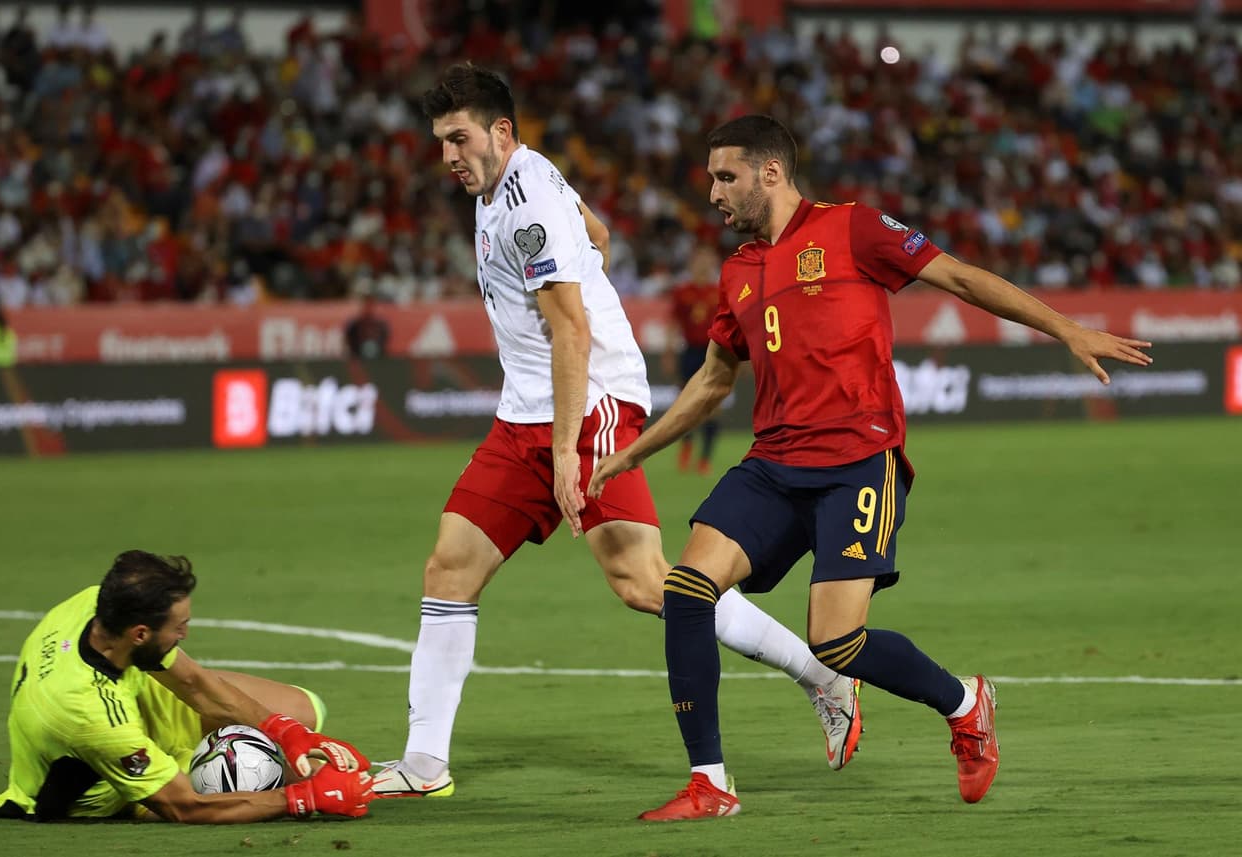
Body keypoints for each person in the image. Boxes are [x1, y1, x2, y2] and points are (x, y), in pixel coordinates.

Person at [589, 114, 1154, 820]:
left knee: (837, 640)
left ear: (771, 172)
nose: (712, 193)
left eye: (724, 176)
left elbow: (960, 278)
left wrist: (1066, 327)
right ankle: (711, 782)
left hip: (858, 462)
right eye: (710, 178)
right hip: (772, 463)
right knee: (686, 586)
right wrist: (634, 450)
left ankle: (966, 702)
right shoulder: (737, 271)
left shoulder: (853, 228)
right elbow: (710, 381)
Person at [372, 67, 863, 800]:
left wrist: (570, 447)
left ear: (501, 133)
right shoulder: (513, 182)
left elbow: (570, 329)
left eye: (459, 137)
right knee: (449, 568)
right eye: (441, 141)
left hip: (588, 404)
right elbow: (597, 235)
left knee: (643, 581)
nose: (447, 154)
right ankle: (424, 763)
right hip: (525, 413)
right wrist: (587, 281)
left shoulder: (528, 200)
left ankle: (822, 675)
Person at [0, 550, 374, 823]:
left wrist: (285, 730)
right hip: (101, 782)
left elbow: (193, 683)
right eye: (179, 627)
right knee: (301, 776)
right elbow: (185, 807)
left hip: (140, 707)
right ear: (140, 634)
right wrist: (302, 799)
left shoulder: (100, 605)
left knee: (302, 712)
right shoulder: (86, 713)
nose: (186, 633)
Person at [664, 246, 722, 475]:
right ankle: (686, 445)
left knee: (713, 406)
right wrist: (669, 352)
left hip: (713, 352)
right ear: (692, 263)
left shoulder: (719, 290)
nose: (703, 265)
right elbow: (673, 323)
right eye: (699, 260)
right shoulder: (683, 291)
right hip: (689, 352)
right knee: (686, 403)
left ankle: (705, 458)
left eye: (707, 261)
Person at [345, 295, 390, 359]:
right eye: (366, 305)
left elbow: (384, 341)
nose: (368, 308)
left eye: (371, 305)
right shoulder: (354, 325)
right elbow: (350, 341)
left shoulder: (381, 325)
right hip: (358, 356)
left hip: (378, 358)